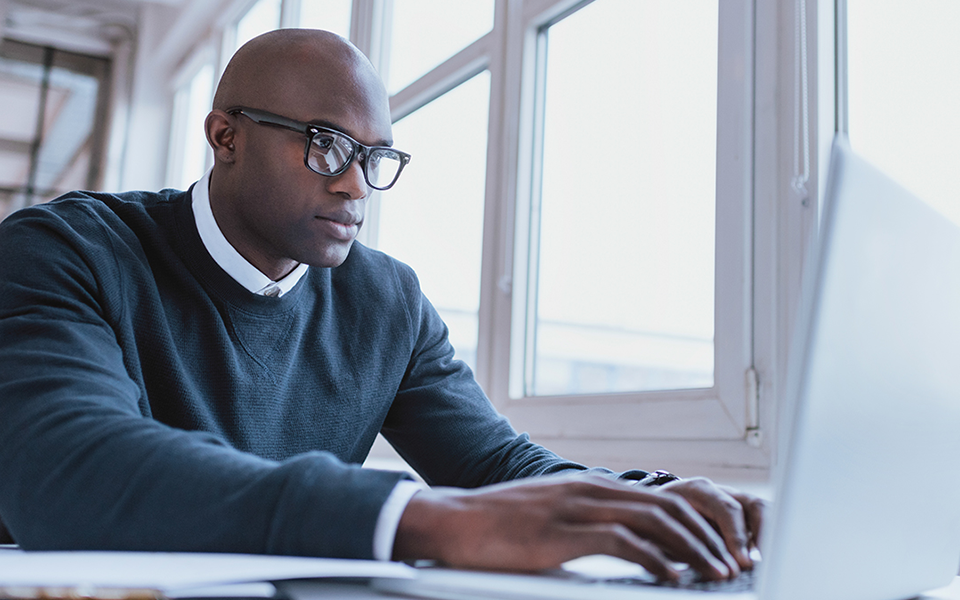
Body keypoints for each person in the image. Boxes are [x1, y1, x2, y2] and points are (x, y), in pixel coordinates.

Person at [0, 29, 763, 582]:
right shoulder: (63, 250)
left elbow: (494, 466)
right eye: (326, 144)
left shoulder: (387, 299)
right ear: (225, 136)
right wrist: (409, 518)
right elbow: (66, 468)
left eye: (376, 158)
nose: (355, 185)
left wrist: (646, 499)